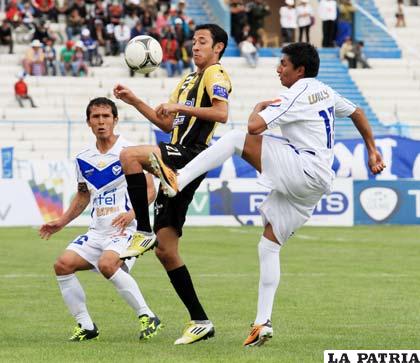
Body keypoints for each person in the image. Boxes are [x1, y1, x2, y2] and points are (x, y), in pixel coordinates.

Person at [149, 42, 386, 347]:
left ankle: (177, 178)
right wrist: (372, 150)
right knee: (269, 244)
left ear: (299, 70)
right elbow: (358, 112)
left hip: (303, 168)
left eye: (283, 64)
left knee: (237, 137)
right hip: (317, 182)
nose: (278, 68)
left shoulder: (296, 94)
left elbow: (253, 127)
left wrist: (257, 109)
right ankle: (262, 322)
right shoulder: (325, 91)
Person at [113, 23, 231, 345]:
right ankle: (200, 320)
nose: (195, 47)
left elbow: (221, 114)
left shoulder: (215, 74)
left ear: (218, 47)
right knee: (166, 251)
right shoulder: (188, 80)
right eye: (193, 42)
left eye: (202, 42)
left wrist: (180, 107)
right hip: (179, 154)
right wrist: (135, 100)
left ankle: (142, 229)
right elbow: (167, 122)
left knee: (129, 156)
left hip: (191, 154)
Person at [39, 97, 161, 342]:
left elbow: (150, 189)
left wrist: (132, 213)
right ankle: (86, 326)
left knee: (107, 265)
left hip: (127, 229)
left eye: (106, 116)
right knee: (62, 265)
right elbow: (83, 195)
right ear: (88, 122)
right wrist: (61, 221)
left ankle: (147, 315)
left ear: (115, 120)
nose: (101, 121)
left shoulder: (129, 152)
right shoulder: (83, 159)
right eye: (96, 117)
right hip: (97, 230)